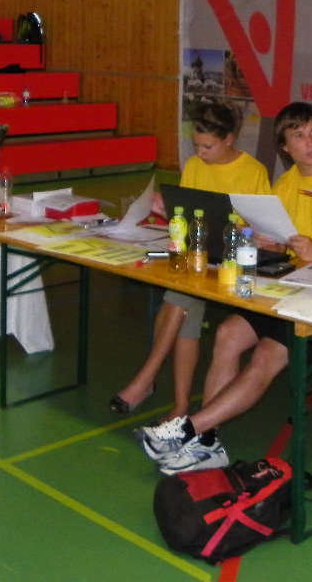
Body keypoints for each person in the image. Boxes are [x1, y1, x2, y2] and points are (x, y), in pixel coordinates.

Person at [134, 103, 312, 475]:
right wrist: (269, 243)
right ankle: (207, 443)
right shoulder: (284, 187)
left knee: (265, 355)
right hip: (291, 286)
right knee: (228, 334)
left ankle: (189, 431)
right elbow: (278, 245)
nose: (310, 143)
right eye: (299, 136)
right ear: (285, 147)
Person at [110, 102, 269, 419]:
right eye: (196, 145)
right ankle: (179, 403)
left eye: (207, 146)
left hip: (234, 260)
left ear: (229, 139)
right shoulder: (195, 165)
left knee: (177, 300)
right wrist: (168, 211)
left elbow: (262, 229)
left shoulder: (253, 172)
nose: (200, 152)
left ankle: (147, 378)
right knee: (182, 305)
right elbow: (190, 215)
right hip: (199, 254)